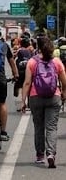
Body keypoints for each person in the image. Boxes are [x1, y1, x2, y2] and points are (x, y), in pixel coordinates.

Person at [19, 35, 66, 168]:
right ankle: (51, 154)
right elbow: (64, 81)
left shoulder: (32, 62)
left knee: (39, 127)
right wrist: (63, 93)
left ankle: (40, 156)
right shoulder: (56, 62)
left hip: (36, 97)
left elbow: (27, 82)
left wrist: (23, 101)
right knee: (51, 127)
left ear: (37, 47)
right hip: (53, 97)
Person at [13, 37, 35, 107]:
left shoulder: (19, 50)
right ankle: (29, 103)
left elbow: (14, 58)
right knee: (29, 86)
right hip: (29, 70)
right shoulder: (31, 50)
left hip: (21, 71)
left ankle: (18, 94)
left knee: (19, 83)